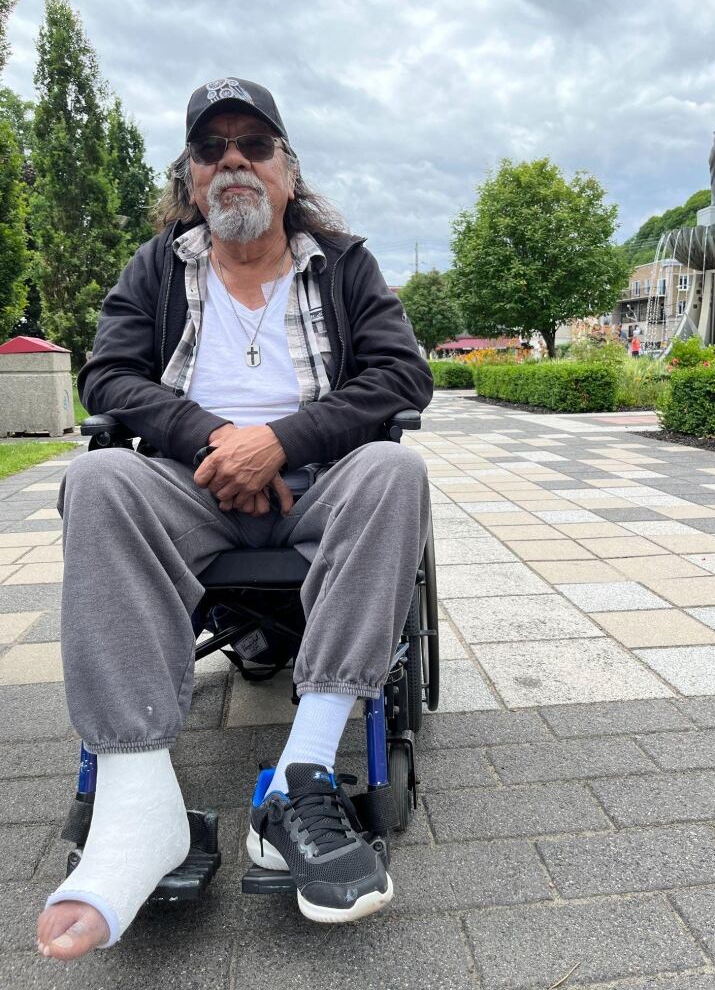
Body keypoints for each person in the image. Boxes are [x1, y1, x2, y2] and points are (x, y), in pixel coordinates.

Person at [36, 78, 433, 960]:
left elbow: (403, 379)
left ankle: (301, 773)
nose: (233, 161)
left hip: (319, 483)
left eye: (254, 143)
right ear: (191, 178)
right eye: (210, 149)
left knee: (396, 469)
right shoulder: (157, 269)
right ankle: (140, 805)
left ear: (288, 171)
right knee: (97, 480)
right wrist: (218, 440)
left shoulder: (345, 265)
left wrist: (280, 441)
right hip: (189, 483)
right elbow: (109, 378)